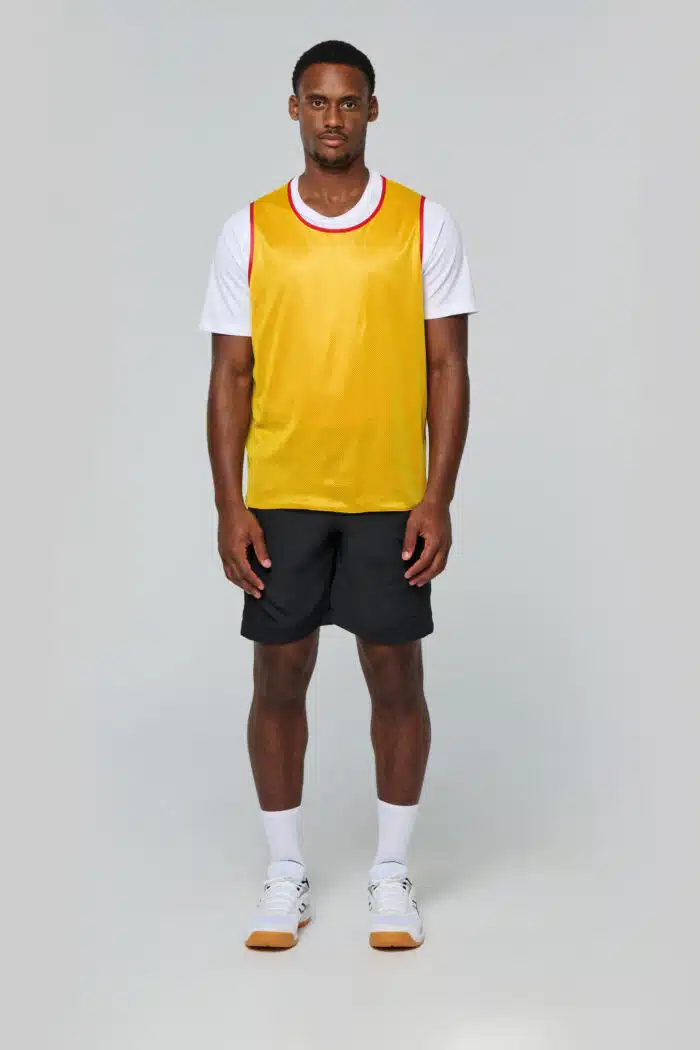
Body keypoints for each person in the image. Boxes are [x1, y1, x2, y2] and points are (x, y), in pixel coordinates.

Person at [199, 39, 477, 951]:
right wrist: (229, 504)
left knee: (395, 674)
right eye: (317, 101)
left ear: (372, 110)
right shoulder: (249, 229)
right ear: (294, 109)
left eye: (349, 102)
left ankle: (391, 872)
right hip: (282, 494)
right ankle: (286, 871)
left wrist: (437, 497)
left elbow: (447, 366)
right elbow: (230, 375)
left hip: (390, 494)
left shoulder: (423, 222)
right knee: (279, 674)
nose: (333, 117)